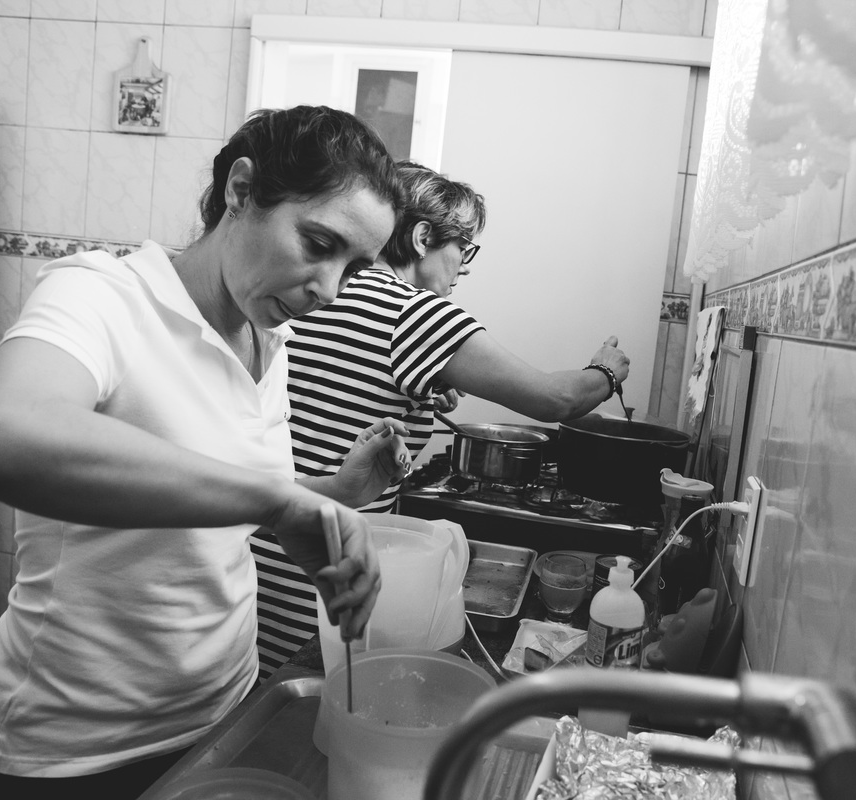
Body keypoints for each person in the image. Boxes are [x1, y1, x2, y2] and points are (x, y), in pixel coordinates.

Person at [0, 105, 410, 800]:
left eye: (353, 267)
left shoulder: (268, 338)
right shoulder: (105, 294)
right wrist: (277, 500)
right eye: (318, 243)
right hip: (75, 746)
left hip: (218, 710)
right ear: (241, 190)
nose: (329, 289)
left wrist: (330, 494)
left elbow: (217, 503)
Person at [253, 161, 630, 674]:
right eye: (463, 247)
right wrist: (606, 372)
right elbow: (555, 399)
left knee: (273, 703)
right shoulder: (413, 312)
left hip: (263, 559)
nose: (465, 267)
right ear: (422, 238)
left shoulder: (319, 292)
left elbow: (337, 391)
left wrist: (418, 391)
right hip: (326, 583)